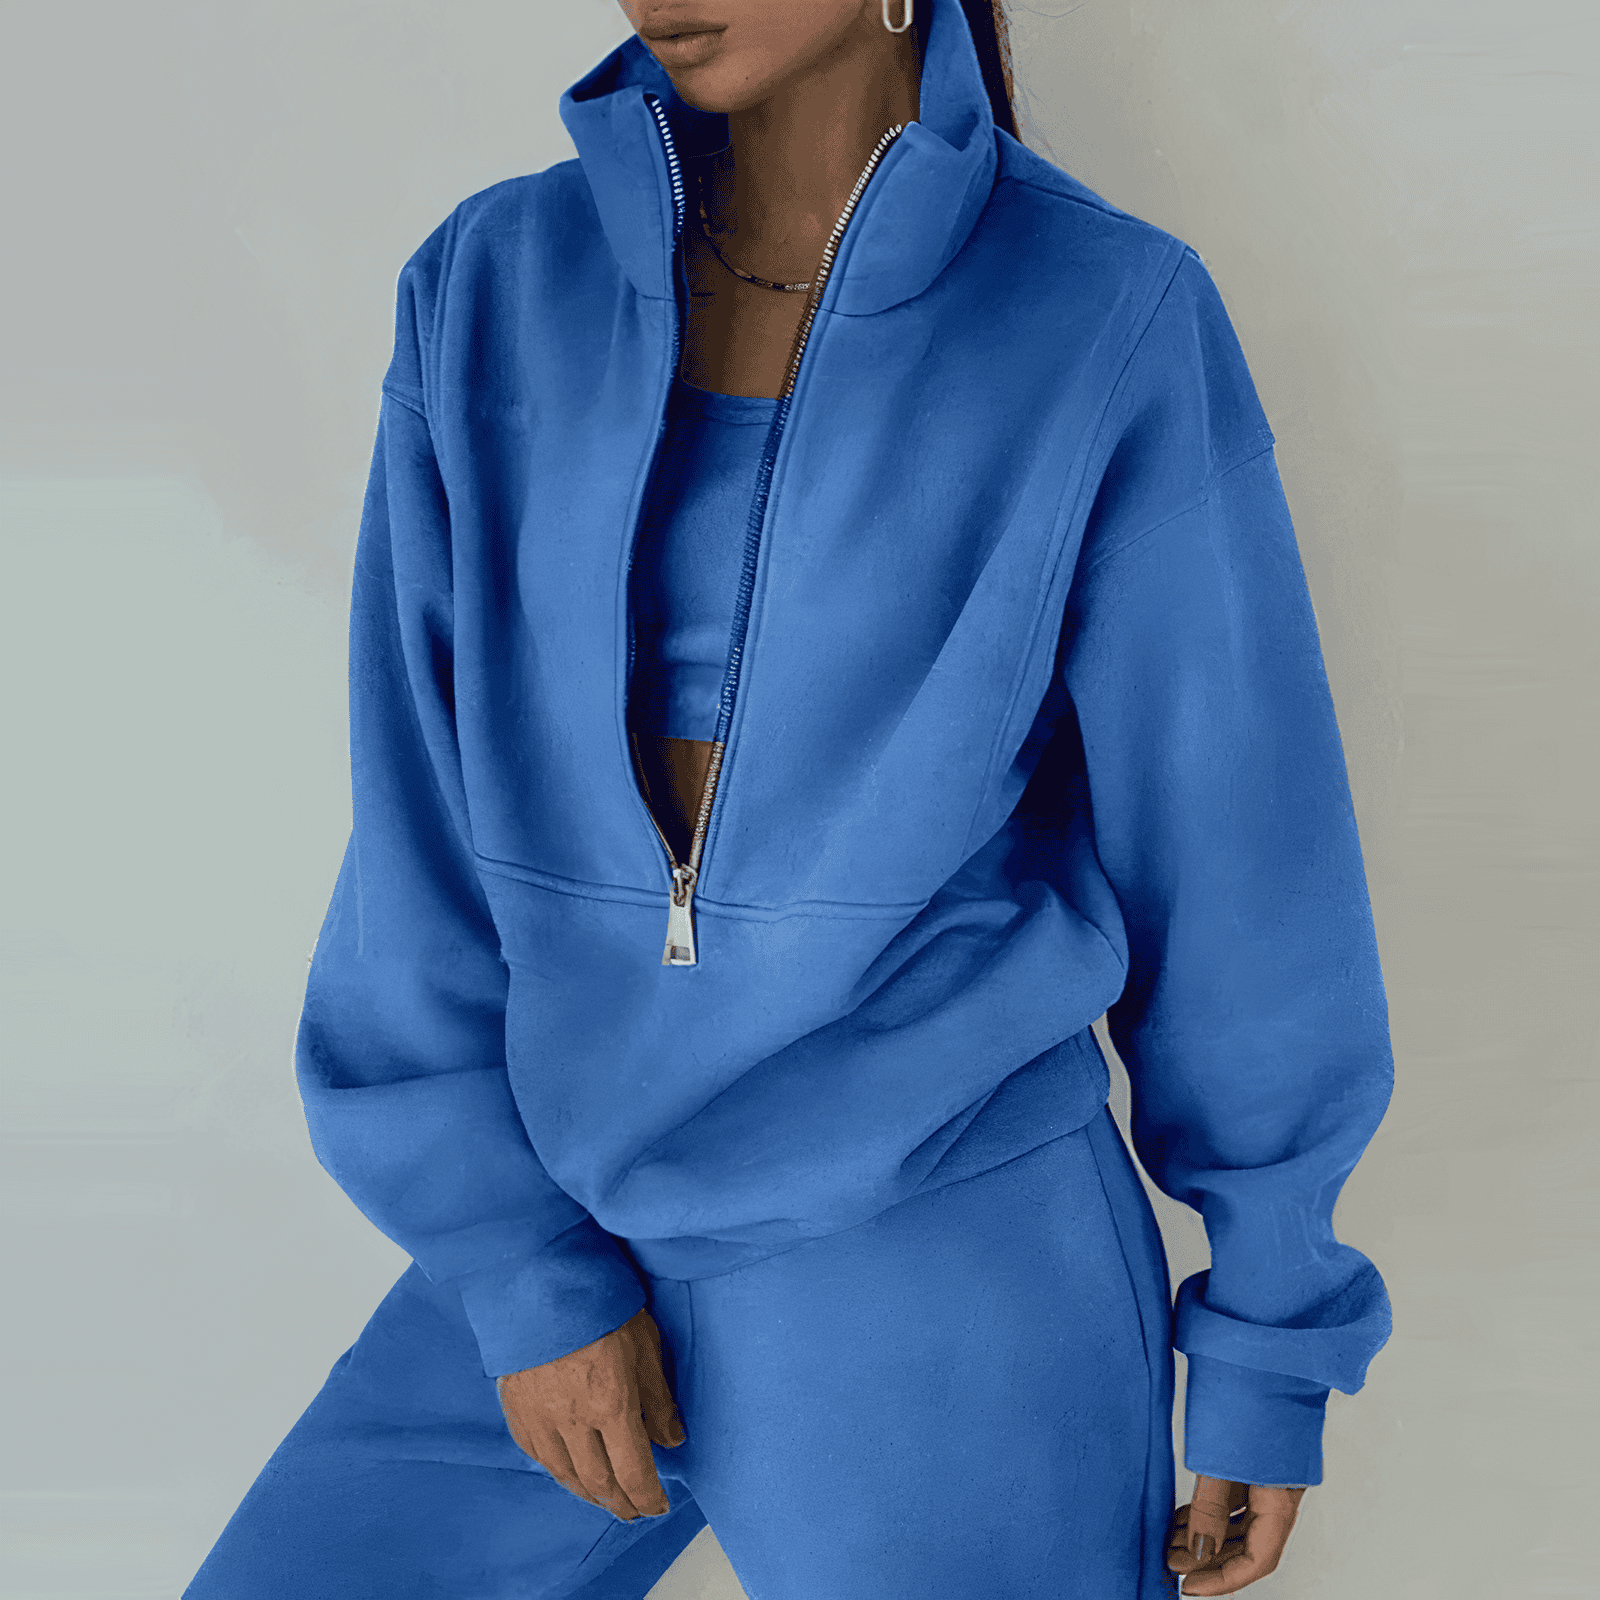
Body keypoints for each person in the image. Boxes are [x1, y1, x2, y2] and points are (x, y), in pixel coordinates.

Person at [184, 1, 1394, 1595]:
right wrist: (523, 1272)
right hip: (570, 1214)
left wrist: (1268, 1336)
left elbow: (1236, 852)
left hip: (941, 1260)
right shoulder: (491, 288)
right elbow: (416, 823)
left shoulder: (1102, 311)